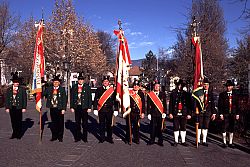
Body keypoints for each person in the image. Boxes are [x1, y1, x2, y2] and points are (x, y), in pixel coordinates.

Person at [93, 76, 118, 143]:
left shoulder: (112, 90)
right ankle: (102, 138)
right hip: (101, 110)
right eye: (104, 82)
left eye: (106, 81)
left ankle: (109, 138)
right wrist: (95, 108)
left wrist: (116, 109)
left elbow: (115, 101)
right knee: (101, 125)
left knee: (109, 125)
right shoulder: (99, 89)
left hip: (109, 110)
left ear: (109, 82)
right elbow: (95, 99)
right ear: (102, 82)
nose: (105, 83)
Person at [193, 77, 216, 146]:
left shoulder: (210, 94)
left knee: (206, 126)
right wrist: (195, 109)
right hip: (200, 111)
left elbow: (212, 104)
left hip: (208, 112)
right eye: (205, 84)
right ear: (202, 85)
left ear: (209, 86)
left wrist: (214, 113)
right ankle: (198, 140)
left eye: (207, 85)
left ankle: (204, 140)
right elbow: (195, 102)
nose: (206, 86)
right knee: (200, 125)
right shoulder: (199, 93)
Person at [43, 75, 67, 142]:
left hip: (59, 108)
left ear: (59, 83)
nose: (55, 83)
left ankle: (60, 137)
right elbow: (43, 93)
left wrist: (63, 109)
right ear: (53, 82)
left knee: (60, 123)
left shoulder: (62, 89)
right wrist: (38, 90)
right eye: (54, 82)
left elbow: (64, 99)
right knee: (54, 123)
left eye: (57, 82)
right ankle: (54, 136)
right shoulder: (49, 89)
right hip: (52, 108)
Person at [169, 79, 192, 147]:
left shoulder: (187, 94)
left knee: (183, 127)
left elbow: (189, 105)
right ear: (177, 86)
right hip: (175, 112)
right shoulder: (173, 93)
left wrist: (189, 113)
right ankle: (176, 141)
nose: (180, 87)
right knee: (176, 127)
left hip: (184, 113)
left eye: (181, 85)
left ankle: (183, 141)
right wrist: (170, 113)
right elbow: (171, 104)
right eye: (179, 85)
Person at [70, 73, 92, 142]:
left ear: (83, 80)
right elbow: (72, 97)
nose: (80, 81)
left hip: (84, 107)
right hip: (77, 107)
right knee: (77, 123)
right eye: (79, 79)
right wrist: (72, 107)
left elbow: (89, 98)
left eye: (82, 79)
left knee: (85, 123)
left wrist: (89, 107)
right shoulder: (74, 87)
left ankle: (85, 138)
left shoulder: (87, 87)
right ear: (78, 80)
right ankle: (77, 137)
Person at [5, 72, 27, 139]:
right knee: (13, 121)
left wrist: (24, 107)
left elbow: (24, 99)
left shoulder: (22, 89)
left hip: (19, 107)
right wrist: (7, 107)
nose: (17, 83)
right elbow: (7, 99)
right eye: (15, 82)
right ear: (13, 83)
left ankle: (19, 134)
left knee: (19, 121)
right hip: (12, 107)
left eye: (17, 82)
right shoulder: (9, 90)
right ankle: (14, 133)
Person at [218, 79, 239, 148]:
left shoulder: (235, 95)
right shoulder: (222, 95)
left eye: (230, 86)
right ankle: (224, 142)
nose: (228, 87)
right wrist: (220, 114)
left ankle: (230, 142)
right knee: (224, 127)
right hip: (225, 113)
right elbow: (220, 105)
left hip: (232, 114)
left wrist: (237, 114)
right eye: (227, 86)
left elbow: (237, 105)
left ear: (232, 87)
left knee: (231, 128)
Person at [147, 80, 167, 146]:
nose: (156, 87)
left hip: (160, 113)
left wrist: (164, 112)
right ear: (153, 87)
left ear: (159, 87)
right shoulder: (150, 94)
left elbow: (165, 104)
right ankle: (151, 140)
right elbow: (148, 104)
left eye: (158, 86)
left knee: (160, 127)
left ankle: (160, 141)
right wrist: (148, 113)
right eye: (155, 86)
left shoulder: (163, 94)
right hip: (153, 113)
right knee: (152, 127)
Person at [125, 80, 145, 144]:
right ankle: (128, 138)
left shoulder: (141, 93)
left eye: (137, 85)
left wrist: (143, 112)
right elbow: (125, 101)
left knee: (137, 126)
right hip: (130, 111)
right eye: (135, 85)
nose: (136, 86)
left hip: (137, 112)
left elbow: (143, 103)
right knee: (129, 126)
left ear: (139, 87)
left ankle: (136, 139)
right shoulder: (129, 92)